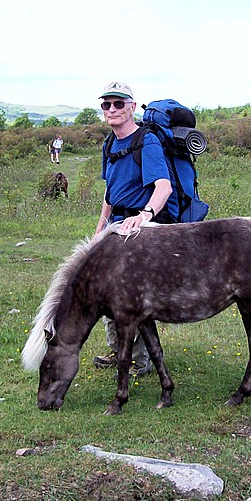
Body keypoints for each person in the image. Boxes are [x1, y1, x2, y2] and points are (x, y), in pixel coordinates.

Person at [92, 80, 176, 377]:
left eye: (118, 103)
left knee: (130, 296)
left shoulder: (147, 141)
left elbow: (163, 187)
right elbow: (109, 192)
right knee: (105, 291)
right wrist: (101, 225)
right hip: (114, 227)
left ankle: (138, 361)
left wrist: (144, 215)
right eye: (106, 104)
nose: (112, 109)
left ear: (131, 106)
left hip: (139, 229)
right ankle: (119, 352)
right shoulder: (110, 143)